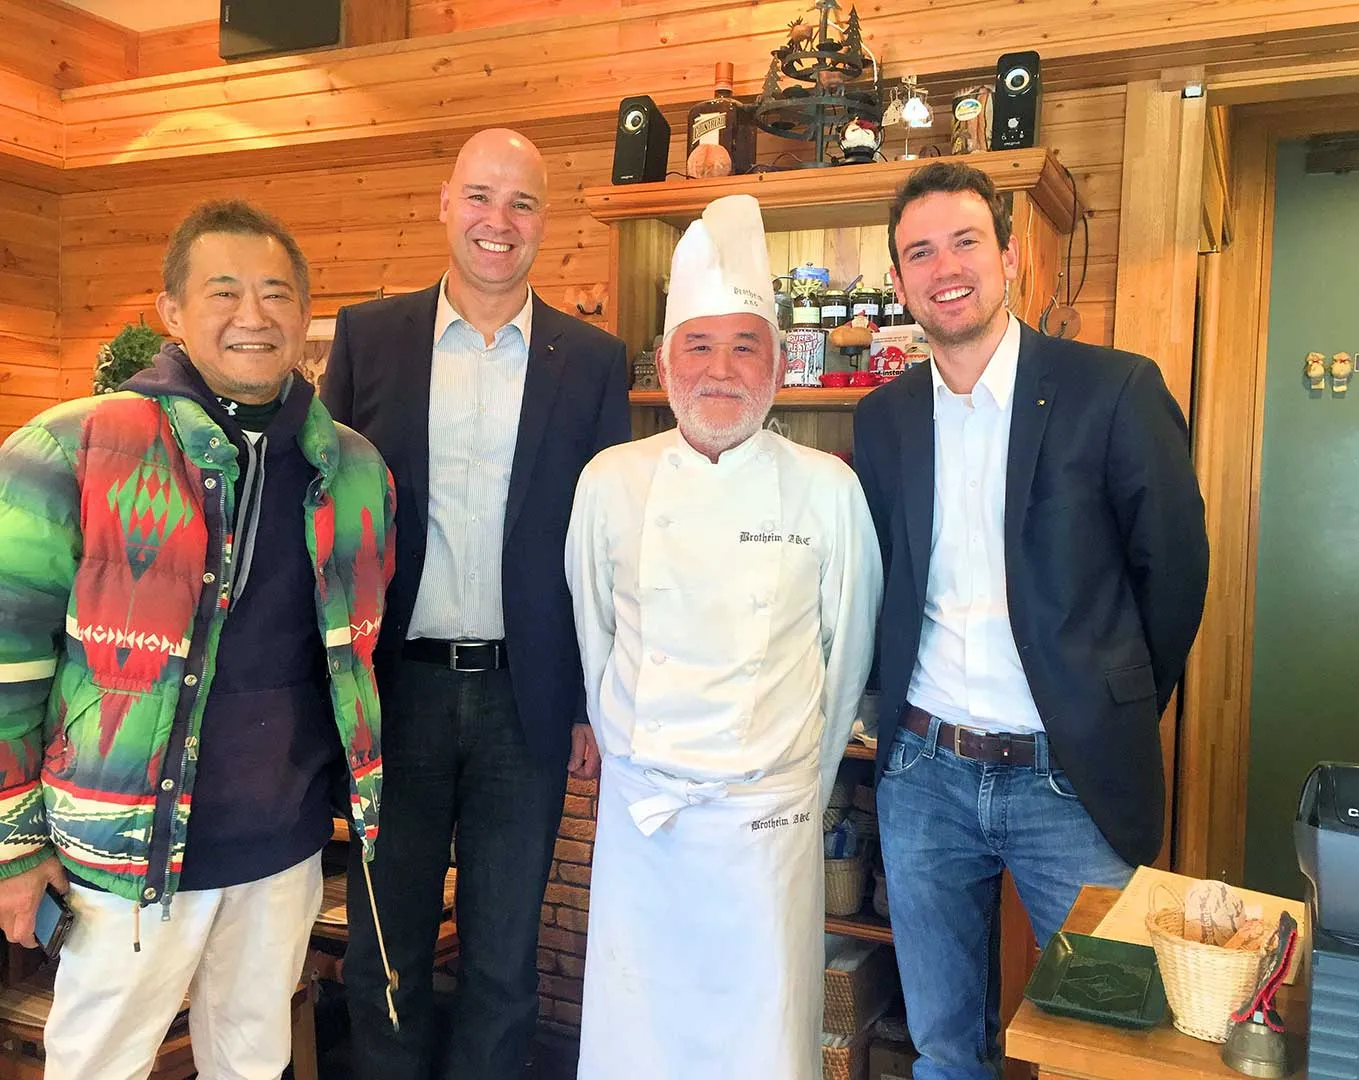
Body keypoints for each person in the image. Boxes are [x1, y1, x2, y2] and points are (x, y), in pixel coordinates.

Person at [0, 199, 394, 1079]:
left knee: (253, 1061)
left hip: (282, 844)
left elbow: (351, 656)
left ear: (304, 315)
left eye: (276, 294)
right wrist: (13, 849)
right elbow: (5, 667)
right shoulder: (71, 448)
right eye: (224, 292)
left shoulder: (359, 470)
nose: (253, 316)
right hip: (124, 846)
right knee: (97, 1063)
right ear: (172, 313)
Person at [851, 162, 1209, 1080]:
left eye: (966, 241)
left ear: (1010, 255)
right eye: (919, 253)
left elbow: (1173, 573)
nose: (946, 267)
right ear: (900, 284)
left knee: (1110, 1043)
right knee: (942, 1045)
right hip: (924, 774)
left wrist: (1112, 703)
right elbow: (884, 580)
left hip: (1070, 781)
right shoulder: (884, 419)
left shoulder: (1114, 389)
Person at [320, 128, 630, 1080]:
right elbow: (328, 517)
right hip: (395, 695)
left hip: (521, 702)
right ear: (446, 202)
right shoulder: (368, 339)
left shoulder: (594, 360)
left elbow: (601, 547)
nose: (501, 222)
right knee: (386, 949)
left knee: (503, 957)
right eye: (483, 198)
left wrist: (584, 698)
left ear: (545, 221)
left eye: (524, 204)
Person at [565, 193, 882, 1079]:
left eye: (746, 346)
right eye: (697, 346)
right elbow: (595, 642)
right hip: (645, 825)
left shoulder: (827, 490)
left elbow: (846, 659)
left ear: (779, 363)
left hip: (765, 830)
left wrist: (792, 790)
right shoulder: (609, 483)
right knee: (638, 1038)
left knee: (764, 1043)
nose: (721, 370)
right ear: (665, 360)